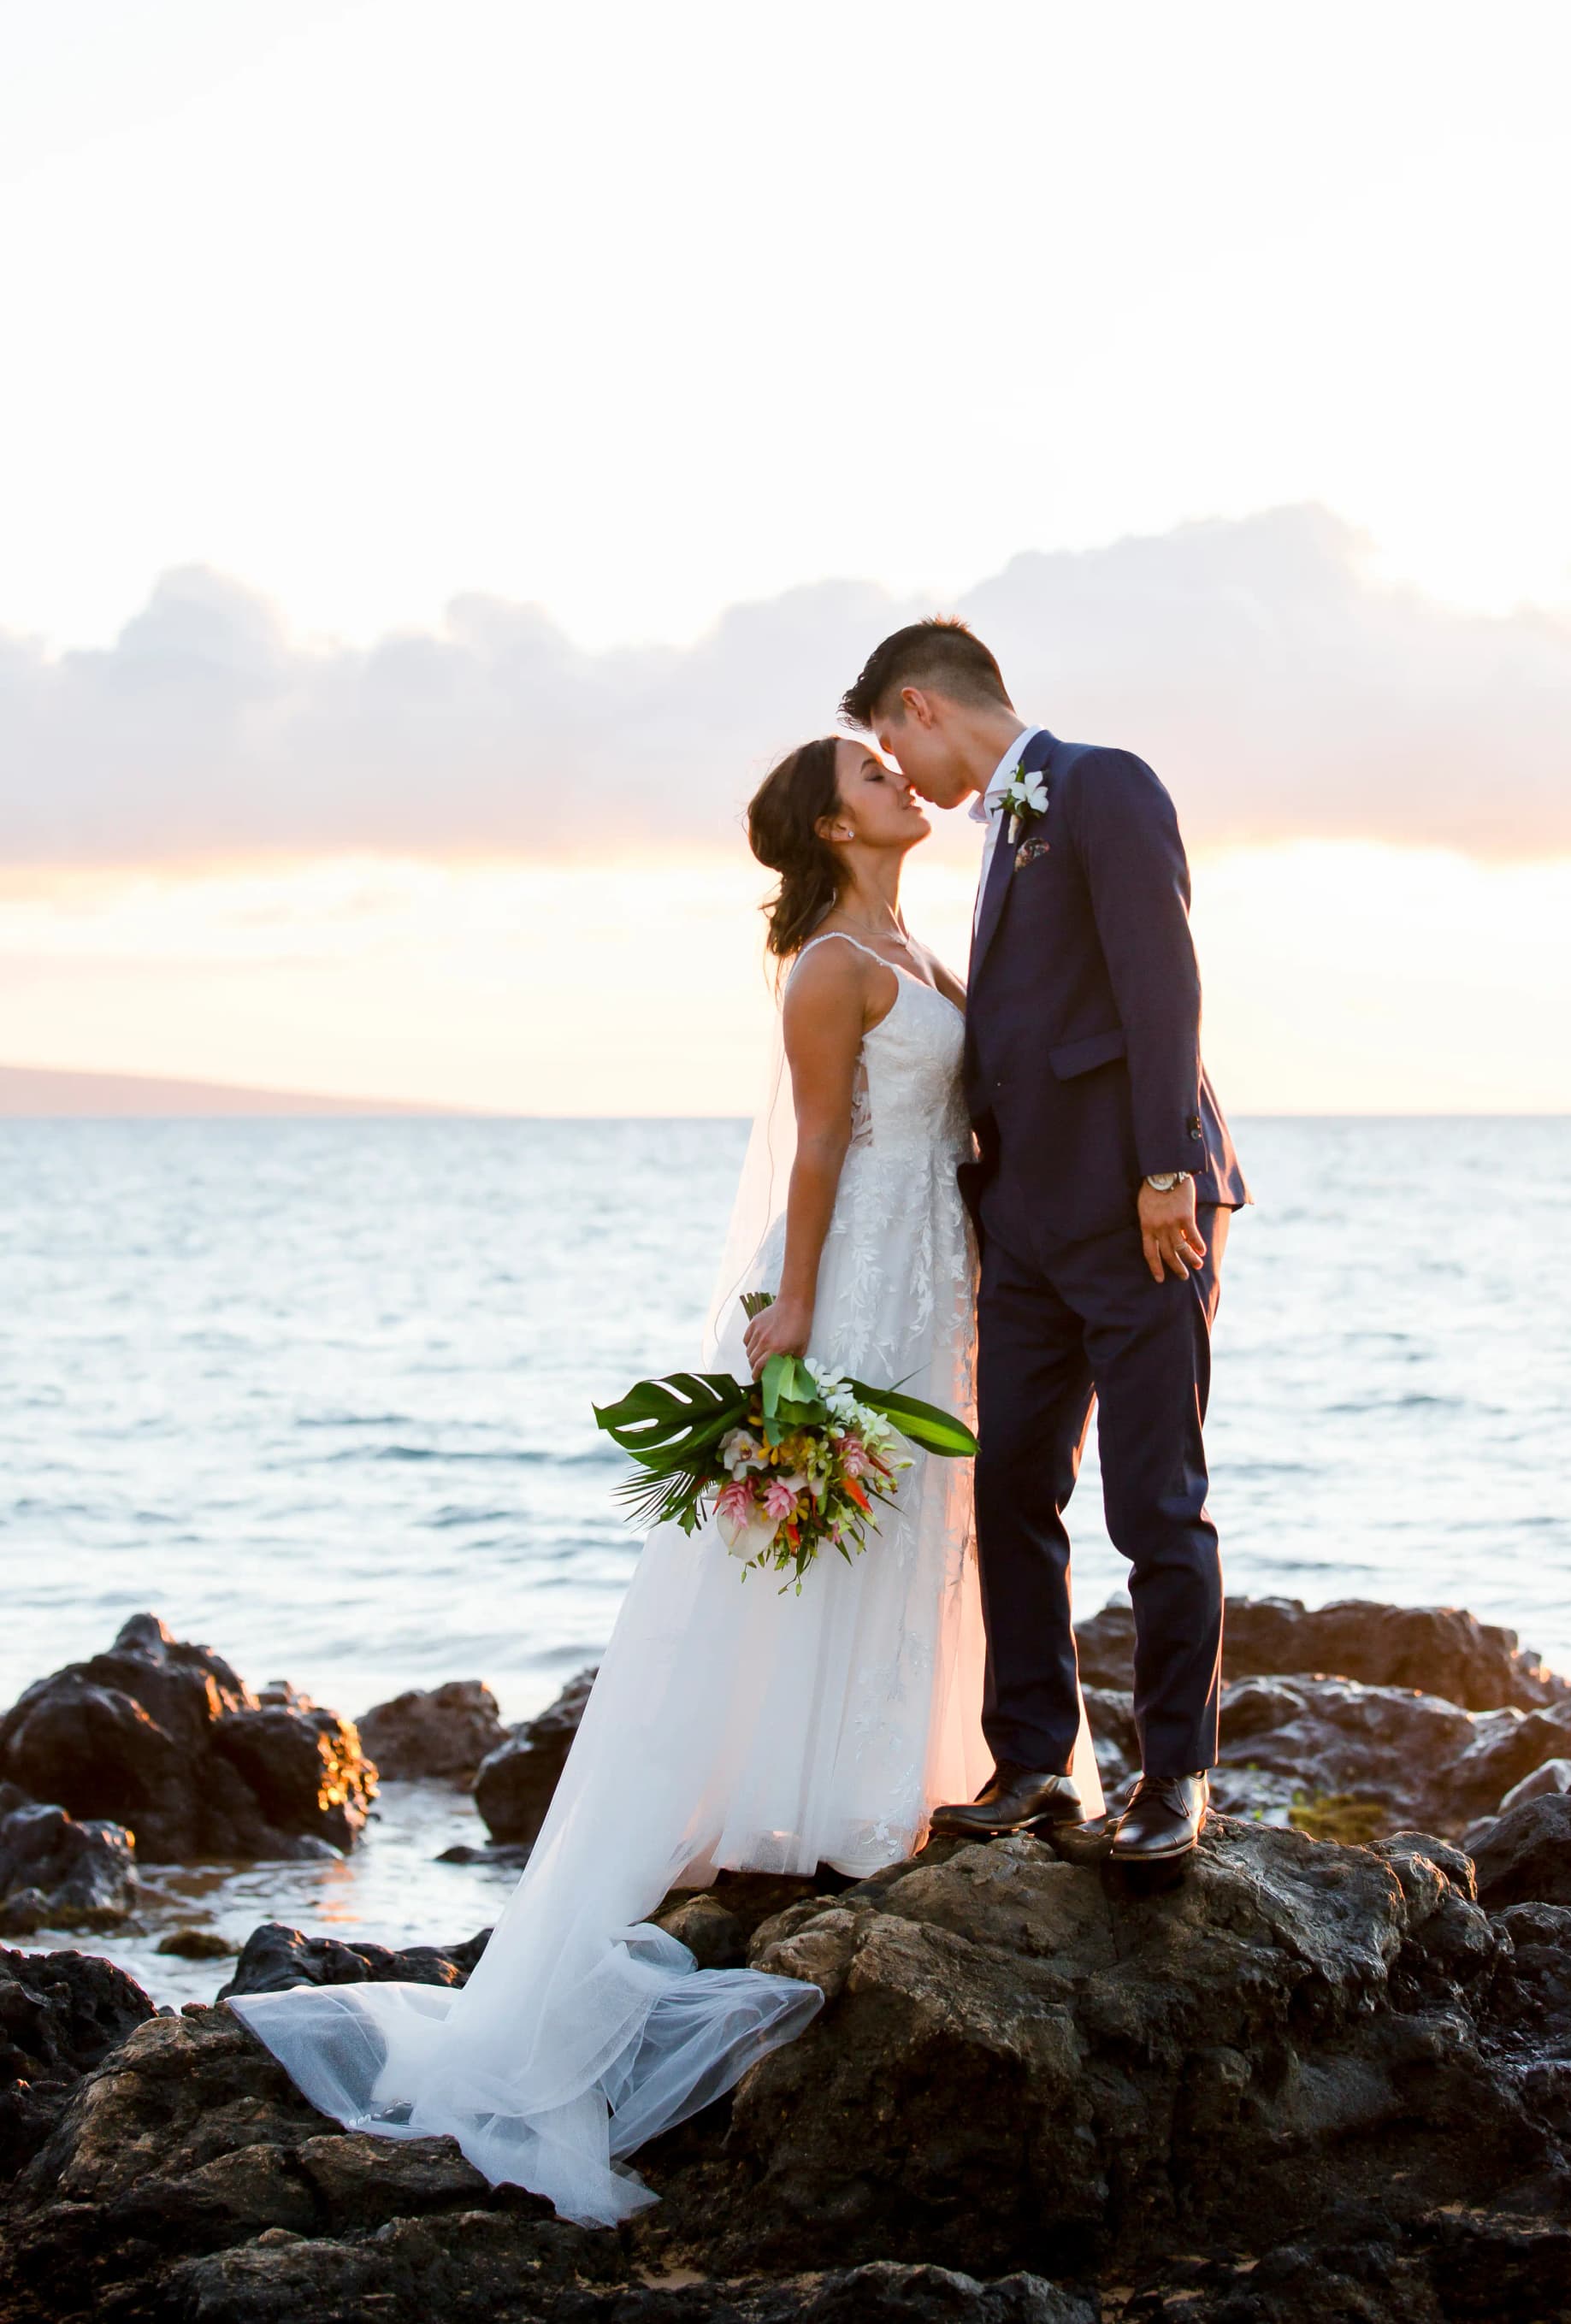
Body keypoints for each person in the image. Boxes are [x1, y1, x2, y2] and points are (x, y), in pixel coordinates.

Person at [227, 728, 1102, 2227]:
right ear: (831, 827)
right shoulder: (832, 964)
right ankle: (826, 1805)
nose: (906, 781)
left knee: (922, 1523)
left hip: (938, 1274)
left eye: (902, 766)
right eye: (876, 775)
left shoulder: (906, 934)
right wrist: (800, 1313)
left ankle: (899, 1781)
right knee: (842, 1526)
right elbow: (820, 1150)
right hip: (861, 1278)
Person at [840, 618, 1248, 1868]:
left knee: (1156, 1501)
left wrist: (1169, 1167)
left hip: (1142, 1213)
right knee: (1011, 1483)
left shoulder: (1101, 784)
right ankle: (1033, 1764)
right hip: (1022, 1228)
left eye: (889, 748)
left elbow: (1159, 974)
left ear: (920, 705)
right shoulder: (1003, 836)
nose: (903, 778)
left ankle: (1176, 1778)